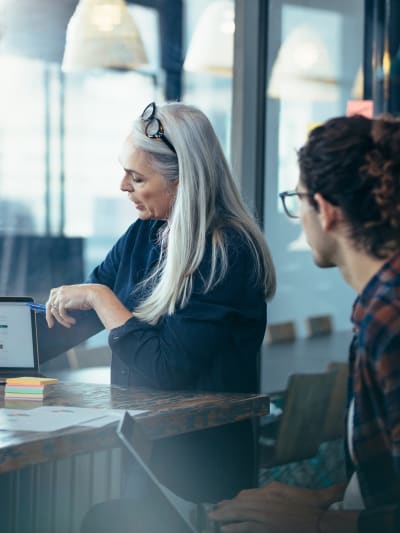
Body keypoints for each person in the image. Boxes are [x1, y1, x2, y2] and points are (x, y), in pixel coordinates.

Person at [36, 102, 276, 511]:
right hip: (147, 455)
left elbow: (165, 369)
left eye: (137, 177)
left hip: (200, 474)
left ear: (183, 180)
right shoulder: (143, 234)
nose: (123, 187)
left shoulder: (226, 251)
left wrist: (100, 295)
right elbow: (73, 317)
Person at [210, 114, 400, 532]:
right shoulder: (375, 305)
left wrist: (313, 521)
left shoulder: (389, 317)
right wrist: (324, 496)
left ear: (327, 212)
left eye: (297, 200)